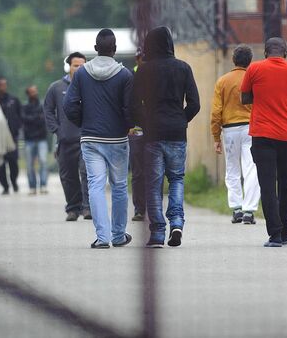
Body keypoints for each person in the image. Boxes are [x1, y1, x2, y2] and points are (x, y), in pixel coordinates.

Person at [64, 29, 135, 249]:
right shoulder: (125, 76)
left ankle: (102, 237)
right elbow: (130, 109)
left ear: (95, 49)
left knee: (95, 185)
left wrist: (84, 124)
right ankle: (118, 235)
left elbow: (69, 105)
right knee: (120, 186)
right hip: (117, 140)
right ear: (114, 50)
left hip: (90, 139)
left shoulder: (83, 73)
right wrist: (126, 126)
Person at [134, 27, 201, 248]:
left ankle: (156, 234)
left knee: (153, 185)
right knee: (177, 179)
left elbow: (133, 106)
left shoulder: (144, 71)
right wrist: (181, 120)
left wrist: (146, 123)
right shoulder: (183, 68)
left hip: (153, 134)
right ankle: (177, 222)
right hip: (177, 133)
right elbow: (195, 104)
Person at [240, 37, 287, 247]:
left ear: (265, 53)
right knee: (286, 185)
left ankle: (275, 235)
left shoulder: (254, 69)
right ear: (285, 53)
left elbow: (244, 98)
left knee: (267, 186)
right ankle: (286, 230)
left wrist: (262, 96)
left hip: (262, 135)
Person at [210, 44, 259, 225]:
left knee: (232, 169)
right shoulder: (253, 78)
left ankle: (236, 208)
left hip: (229, 129)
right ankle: (249, 210)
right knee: (251, 168)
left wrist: (216, 136)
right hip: (251, 128)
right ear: (250, 61)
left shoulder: (223, 81)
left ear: (233, 60)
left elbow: (216, 111)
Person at [45, 52, 91, 221]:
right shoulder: (56, 87)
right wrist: (57, 130)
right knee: (68, 176)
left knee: (87, 173)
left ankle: (88, 208)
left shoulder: (91, 86)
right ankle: (73, 208)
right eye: (75, 66)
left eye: (82, 66)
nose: (79, 69)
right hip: (65, 140)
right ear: (68, 67)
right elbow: (48, 111)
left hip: (86, 139)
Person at [128, 47, 147, 222]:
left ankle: (153, 208)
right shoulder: (130, 76)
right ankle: (139, 209)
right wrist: (129, 126)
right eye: (142, 58)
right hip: (137, 130)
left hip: (155, 130)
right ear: (137, 59)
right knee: (138, 172)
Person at [0, 77, 22, 194]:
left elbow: (20, 114)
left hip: (12, 136)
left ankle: (14, 181)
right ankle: (5, 186)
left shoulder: (13, 100)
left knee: (13, 162)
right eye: (1, 85)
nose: (3, 87)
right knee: (1, 164)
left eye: (5, 84)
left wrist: (17, 126)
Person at [21, 85, 49, 195]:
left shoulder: (42, 105)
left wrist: (32, 119)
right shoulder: (24, 106)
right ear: (28, 93)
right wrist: (37, 118)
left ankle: (43, 184)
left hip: (41, 138)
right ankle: (32, 186)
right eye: (32, 92)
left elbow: (44, 119)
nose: (34, 93)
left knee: (43, 161)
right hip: (29, 139)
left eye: (35, 91)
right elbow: (24, 119)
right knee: (29, 164)